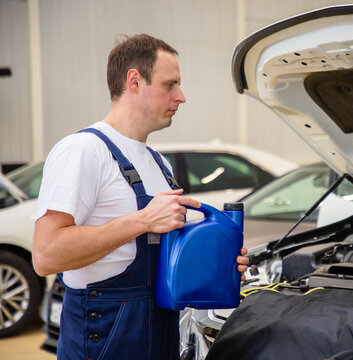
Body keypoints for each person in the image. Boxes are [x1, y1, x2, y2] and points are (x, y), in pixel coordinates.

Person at [33, 34, 249, 360]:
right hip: (103, 340)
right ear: (134, 80)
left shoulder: (158, 163)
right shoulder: (84, 151)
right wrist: (143, 220)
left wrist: (219, 262)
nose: (181, 96)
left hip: (159, 337)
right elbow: (46, 255)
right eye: (170, 85)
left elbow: (160, 259)